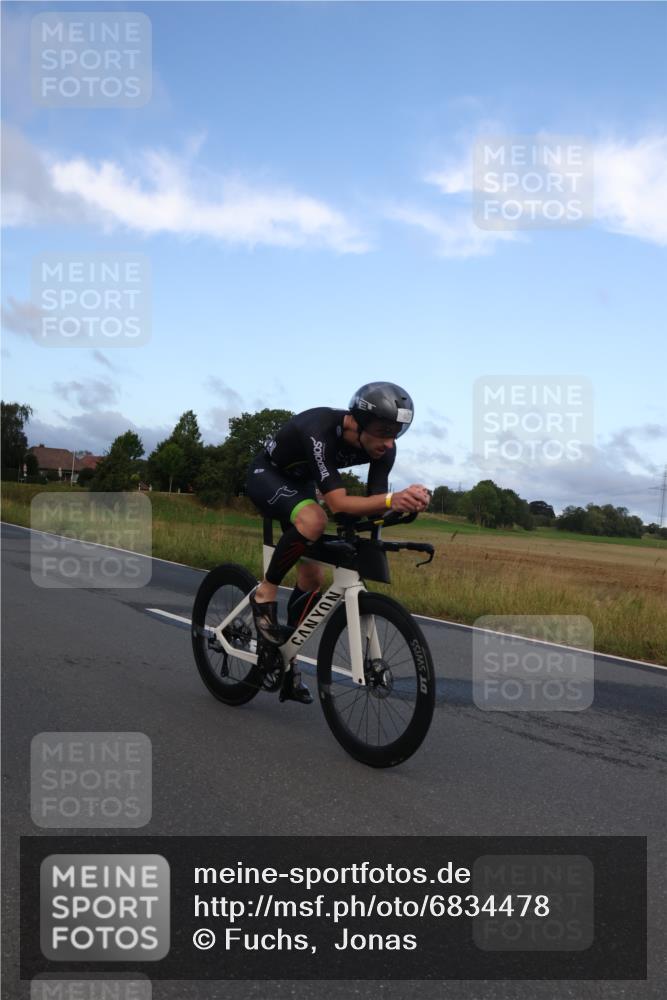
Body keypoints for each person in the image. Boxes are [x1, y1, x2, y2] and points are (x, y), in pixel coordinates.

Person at [245, 382, 430, 704]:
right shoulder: (320, 429)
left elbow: (373, 505)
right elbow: (340, 505)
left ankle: (285, 657)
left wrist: (404, 506)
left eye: (396, 434)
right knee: (314, 520)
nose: (389, 443)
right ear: (357, 421)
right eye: (383, 432)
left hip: (300, 485)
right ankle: (265, 592)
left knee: (313, 577)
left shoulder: (384, 449)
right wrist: (391, 499)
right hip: (267, 474)